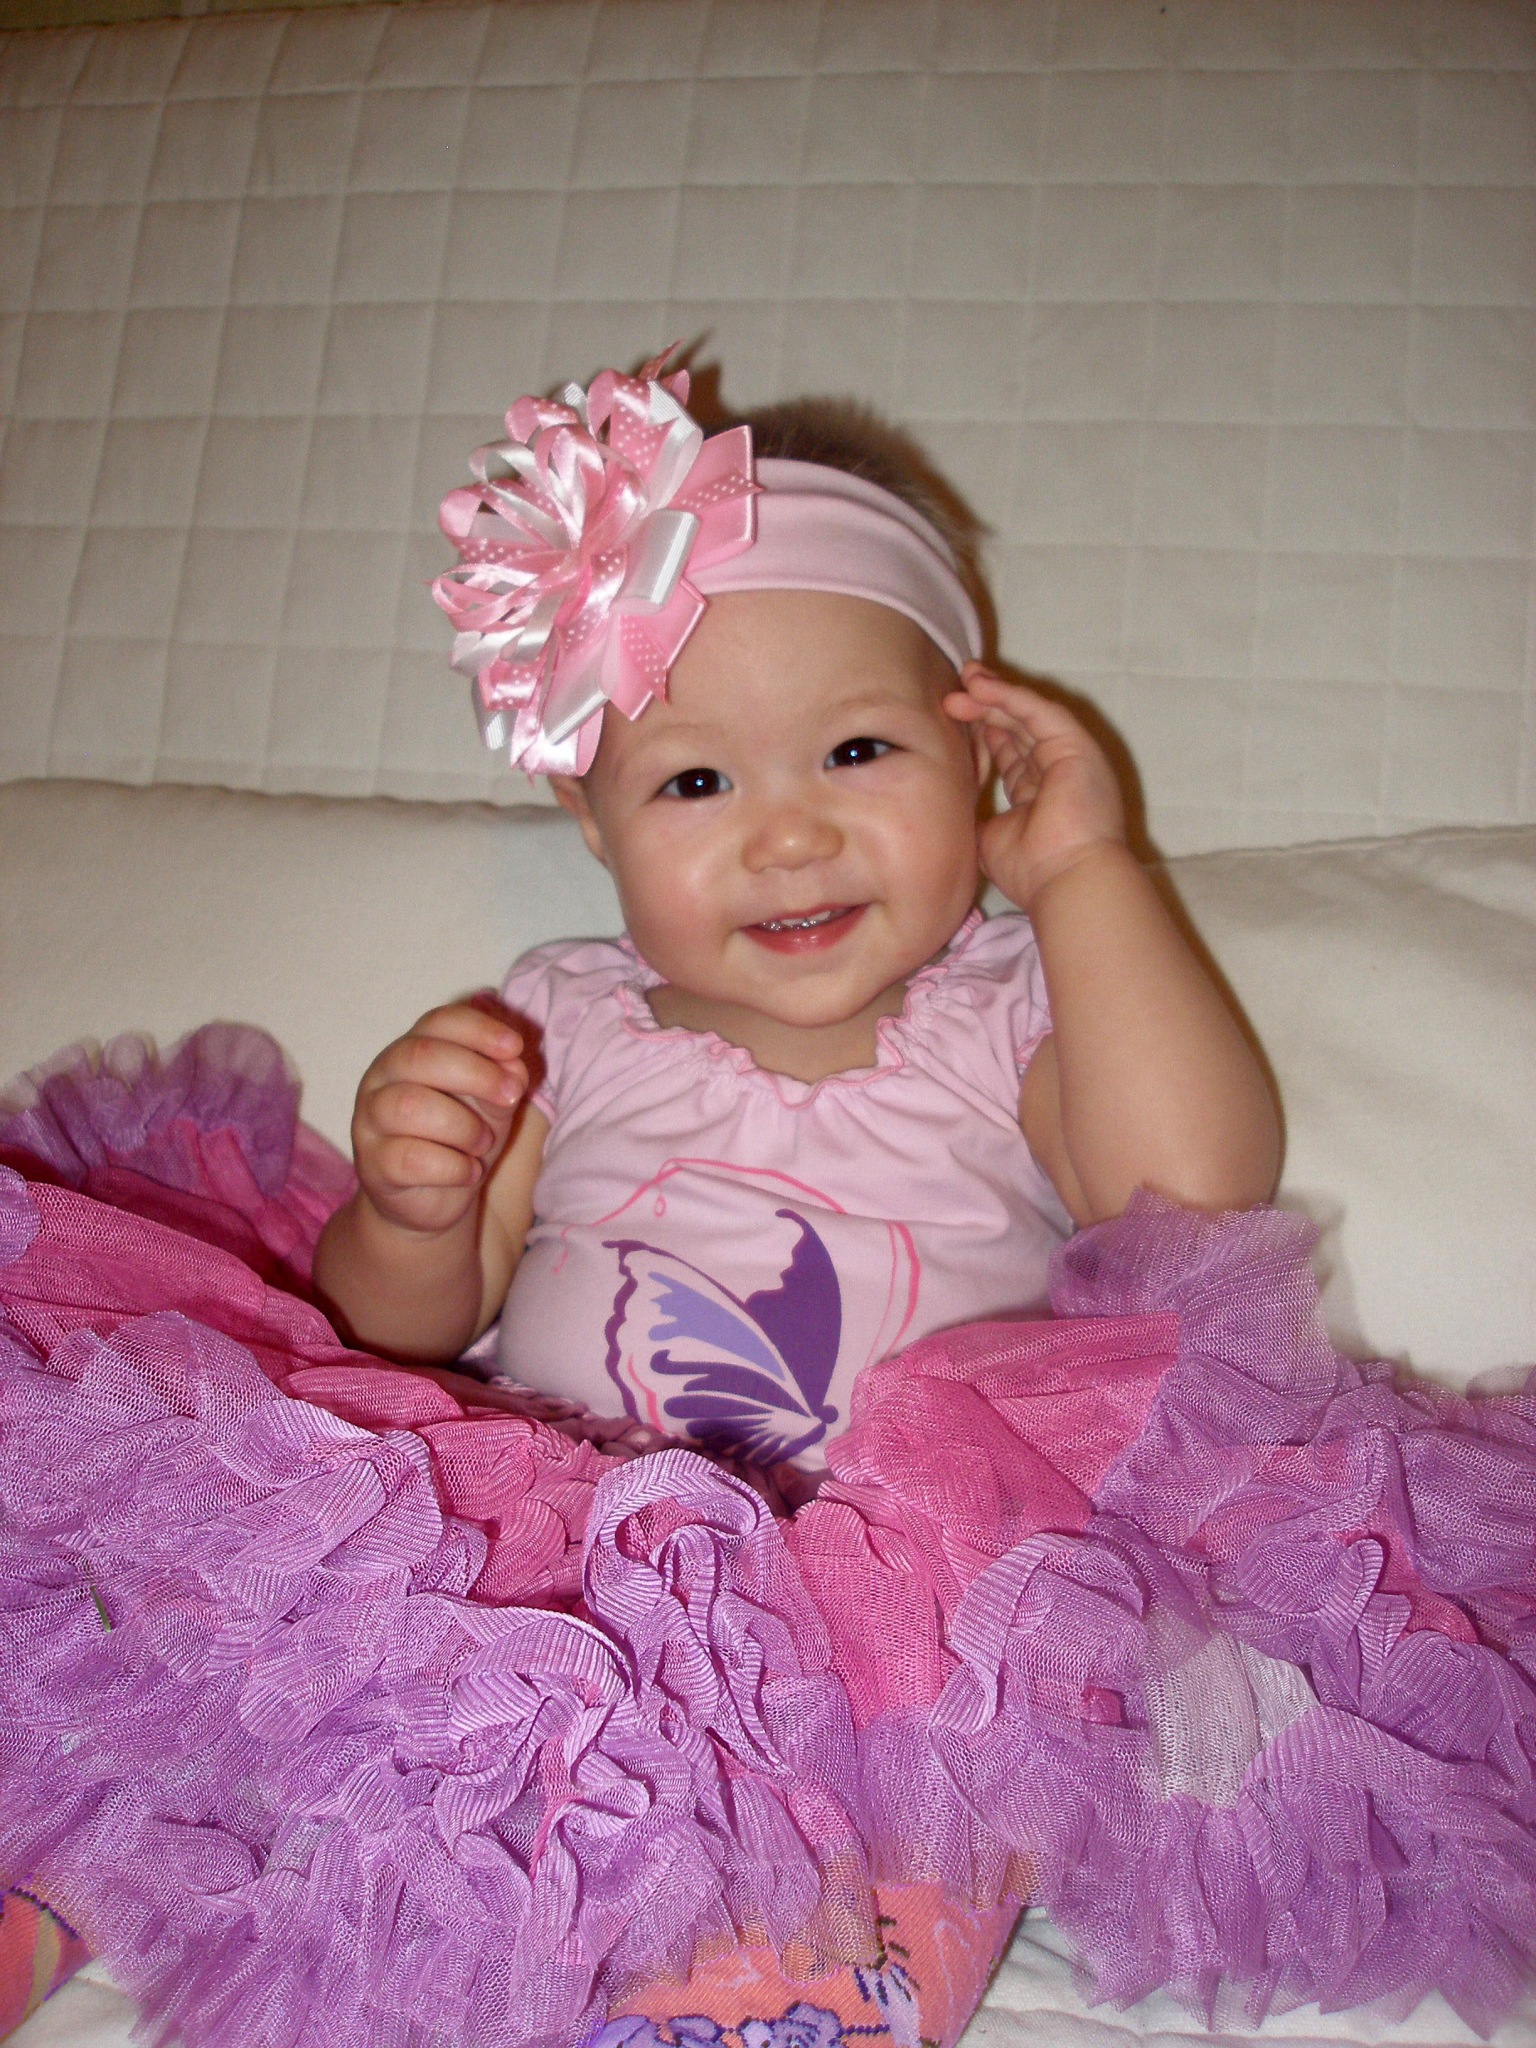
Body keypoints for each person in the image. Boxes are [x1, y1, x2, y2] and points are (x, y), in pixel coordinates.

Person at [312, 356, 1280, 1471]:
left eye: (856, 751)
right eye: (696, 782)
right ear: (592, 819)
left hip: (939, 1559)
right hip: (572, 1540)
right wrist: (411, 1221)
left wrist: (1082, 872)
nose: (789, 841)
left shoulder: (1017, 1007)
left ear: (974, 755)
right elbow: (384, 1338)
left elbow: (1193, 1203)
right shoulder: (551, 1027)